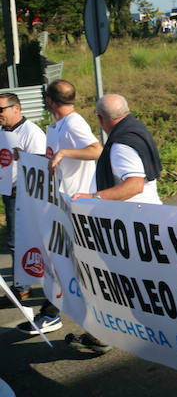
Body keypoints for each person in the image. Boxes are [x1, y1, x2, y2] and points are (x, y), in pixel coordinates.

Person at [68, 94, 163, 355]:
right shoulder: (137, 128)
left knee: (112, 281)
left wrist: (94, 197)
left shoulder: (121, 143)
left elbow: (133, 184)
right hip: (146, 218)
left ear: (100, 118)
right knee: (136, 281)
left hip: (133, 224)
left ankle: (106, 336)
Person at [16, 81, 100, 334]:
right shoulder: (56, 126)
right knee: (60, 261)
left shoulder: (73, 123)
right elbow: (53, 159)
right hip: (59, 204)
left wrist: (65, 153)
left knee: (66, 261)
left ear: (50, 101)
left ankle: (57, 314)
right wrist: (31, 160)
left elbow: (97, 150)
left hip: (77, 205)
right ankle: (57, 313)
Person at [0, 92, 46, 307]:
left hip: (26, 196)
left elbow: (40, 166)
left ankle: (35, 287)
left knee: (34, 241)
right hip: (9, 194)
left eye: (1, 110)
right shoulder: (3, 132)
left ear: (16, 108)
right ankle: (21, 289)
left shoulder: (31, 132)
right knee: (14, 243)